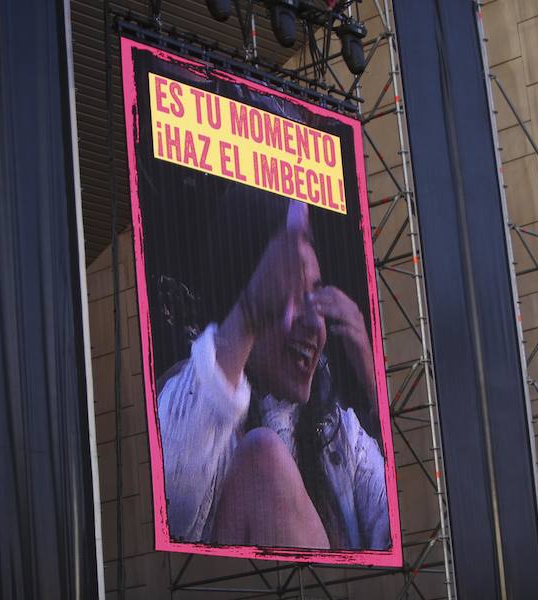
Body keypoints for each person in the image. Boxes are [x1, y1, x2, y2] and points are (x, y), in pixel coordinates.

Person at [157, 203, 391, 550]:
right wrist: (249, 313)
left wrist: (374, 384)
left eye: (317, 297)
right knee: (264, 458)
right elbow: (171, 496)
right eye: (292, 297)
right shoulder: (190, 407)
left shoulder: (339, 433)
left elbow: (406, 536)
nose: (314, 324)